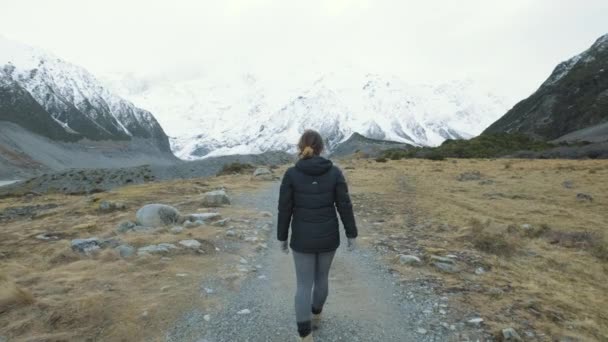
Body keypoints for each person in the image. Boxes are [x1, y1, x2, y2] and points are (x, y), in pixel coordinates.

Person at [277, 129, 358, 342]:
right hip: (328, 237)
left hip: (302, 239)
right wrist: (351, 234)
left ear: (300, 147)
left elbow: (284, 209)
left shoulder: (291, 174)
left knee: (303, 284)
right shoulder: (335, 172)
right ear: (321, 148)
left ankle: (305, 335)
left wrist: (282, 237)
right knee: (321, 279)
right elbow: (344, 205)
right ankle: (316, 314)